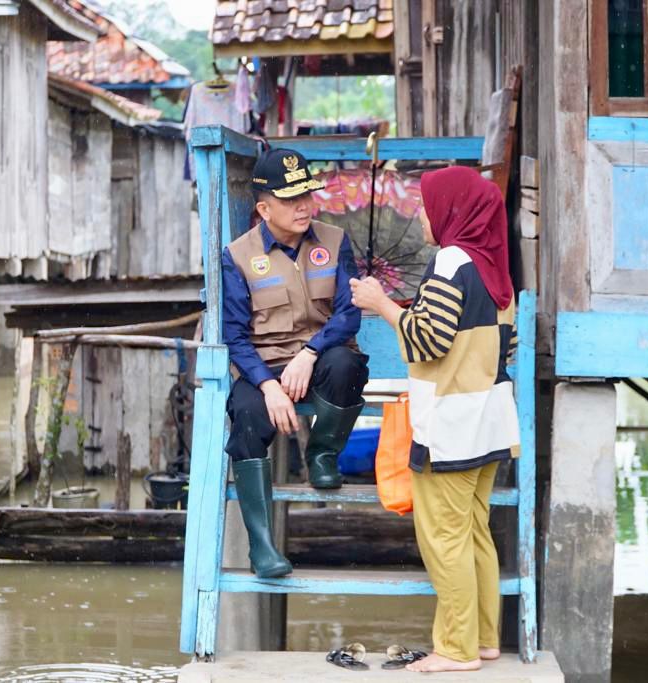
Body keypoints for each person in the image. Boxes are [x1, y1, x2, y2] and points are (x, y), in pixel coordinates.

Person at [350, 166, 520, 673]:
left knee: (443, 540)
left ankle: (456, 649)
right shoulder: (493, 265)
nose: (422, 215)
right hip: (489, 419)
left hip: (451, 424)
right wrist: (411, 308)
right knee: (474, 534)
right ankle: (484, 639)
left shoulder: (450, 260)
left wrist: (380, 304)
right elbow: (480, 336)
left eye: (427, 205)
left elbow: (427, 340)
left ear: (451, 211)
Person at [222, 148, 369, 579]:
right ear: (264, 208)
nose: (304, 205)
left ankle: (322, 455)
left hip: (320, 356)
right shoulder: (237, 256)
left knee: (346, 366)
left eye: (307, 193)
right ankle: (262, 548)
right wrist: (268, 386)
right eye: (290, 199)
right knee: (247, 418)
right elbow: (234, 335)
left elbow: (349, 312)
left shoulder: (334, 240)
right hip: (263, 366)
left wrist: (309, 353)